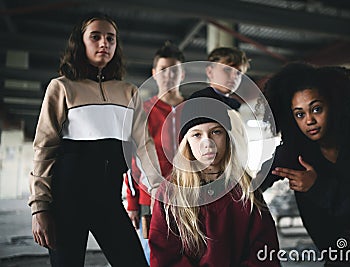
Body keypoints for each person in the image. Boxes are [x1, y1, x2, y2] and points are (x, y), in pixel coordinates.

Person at [28, 13, 162, 267]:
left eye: (110, 38)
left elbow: (144, 146)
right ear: (81, 43)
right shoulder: (62, 87)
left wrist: (158, 191)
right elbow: (44, 149)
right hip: (66, 201)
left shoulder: (128, 92)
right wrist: (40, 208)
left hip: (109, 199)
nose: (104, 43)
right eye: (96, 37)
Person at [259, 62, 350, 266]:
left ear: (335, 105)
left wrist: (317, 186)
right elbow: (256, 182)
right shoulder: (295, 150)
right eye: (300, 114)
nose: (309, 120)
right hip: (338, 247)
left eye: (316, 109)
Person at [149, 97, 280, 266]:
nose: (208, 143)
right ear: (186, 142)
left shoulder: (245, 189)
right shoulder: (171, 193)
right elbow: (164, 257)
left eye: (216, 132)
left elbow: (264, 248)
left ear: (227, 137)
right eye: (197, 135)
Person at [124, 41, 185, 264]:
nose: (168, 76)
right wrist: (132, 202)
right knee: (153, 257)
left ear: (182, 74)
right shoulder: (143, 110)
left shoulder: (194, 109)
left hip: (189, 196)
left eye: (174, 71)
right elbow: (132, 159)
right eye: (163, 70)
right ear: (154, 73)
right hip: (150, 199)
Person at [189, 47, 250, 170]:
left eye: (238, 72)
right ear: (210, 72)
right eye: (228, 69)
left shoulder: (234, 106)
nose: (234, 76)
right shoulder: (200, 102)